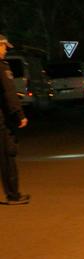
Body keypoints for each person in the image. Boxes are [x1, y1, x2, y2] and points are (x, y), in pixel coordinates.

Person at [0, 34, 29, 205]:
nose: (5, 50)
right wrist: (19, 114)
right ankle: (13, 195)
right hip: (1, 120)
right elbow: (8, 93)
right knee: (7, 154)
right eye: (3, 46)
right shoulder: (1, 67)